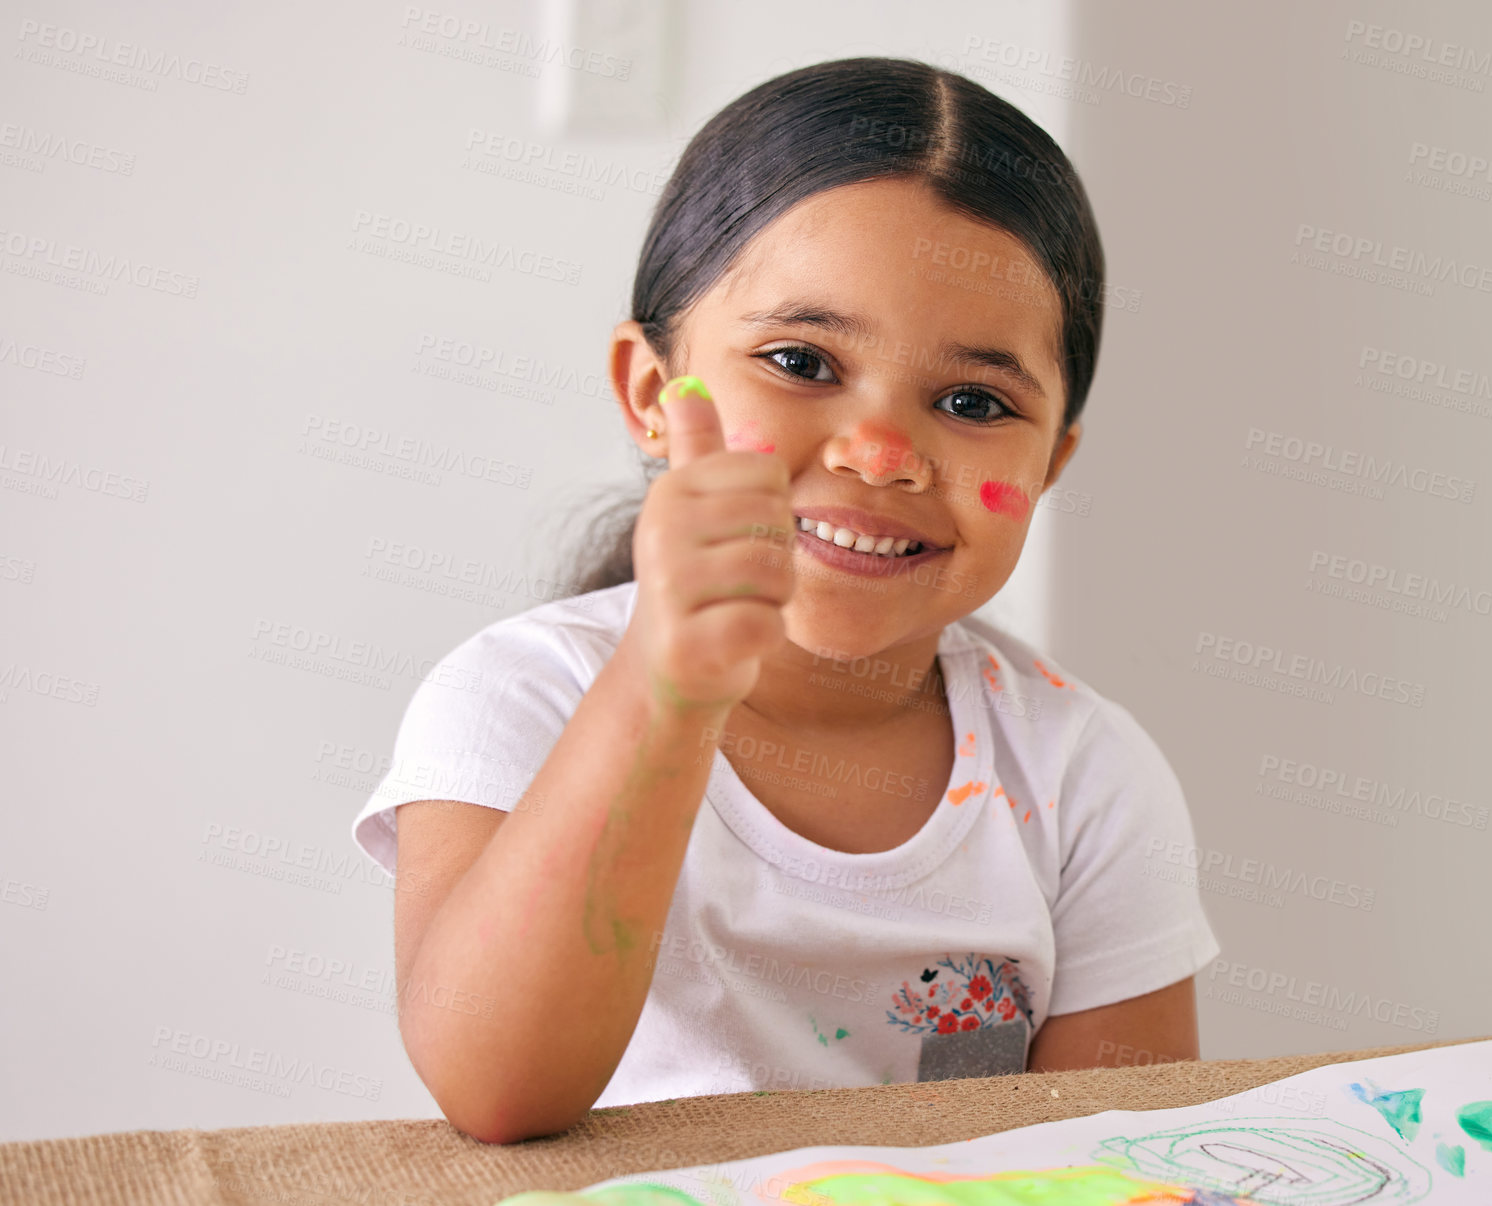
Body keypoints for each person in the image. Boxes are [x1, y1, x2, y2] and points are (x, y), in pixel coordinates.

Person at [350, 55, 1219, 1145]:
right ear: (651, 394)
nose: (881, 453)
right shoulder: (515, 697)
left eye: (971, 400)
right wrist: (666, 695)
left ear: (1051, 463)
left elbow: (1119, 1157)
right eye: (803, 362)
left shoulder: (1084, 775)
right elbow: (498, 1094)